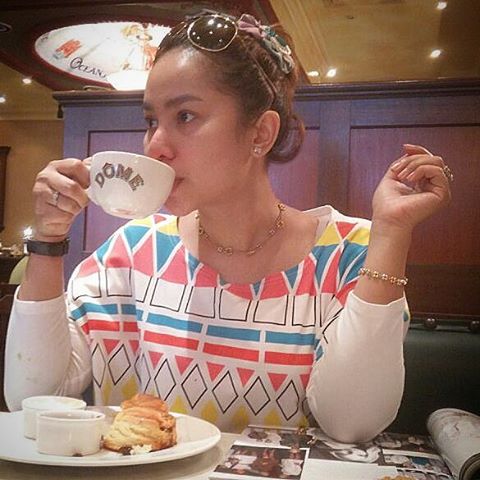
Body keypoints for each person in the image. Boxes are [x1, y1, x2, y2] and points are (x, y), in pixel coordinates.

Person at [4, 11, 452, 440]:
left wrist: (392, 233)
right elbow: (33, 399)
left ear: (260, 133)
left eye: (185, 116)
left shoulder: (346, 255)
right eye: (151, 120)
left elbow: (351, 423)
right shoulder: (133, 251)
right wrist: (48, 239)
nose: (155, 145)